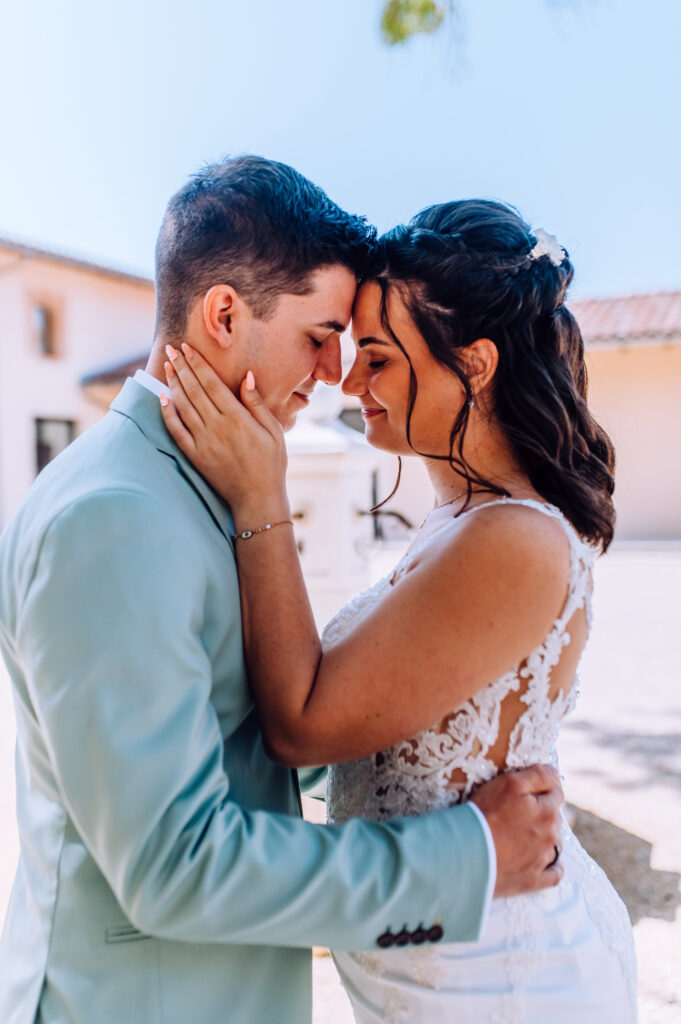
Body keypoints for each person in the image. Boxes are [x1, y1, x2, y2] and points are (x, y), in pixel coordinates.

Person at [0, 160, 564, 1024]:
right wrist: (470, 853)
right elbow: (175, 866)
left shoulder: (197, 481)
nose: (336, 371)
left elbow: (225, 747)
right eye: (320, 334)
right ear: (224, 314)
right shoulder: (115, 516)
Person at [160, 197, 637, 1022]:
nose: (347, 381)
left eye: (376, 356)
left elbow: (306, 722)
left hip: (501, 985)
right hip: (439, 963)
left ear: (475, 365)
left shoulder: (513, 541)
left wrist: (258, 494)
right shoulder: (462, 518)